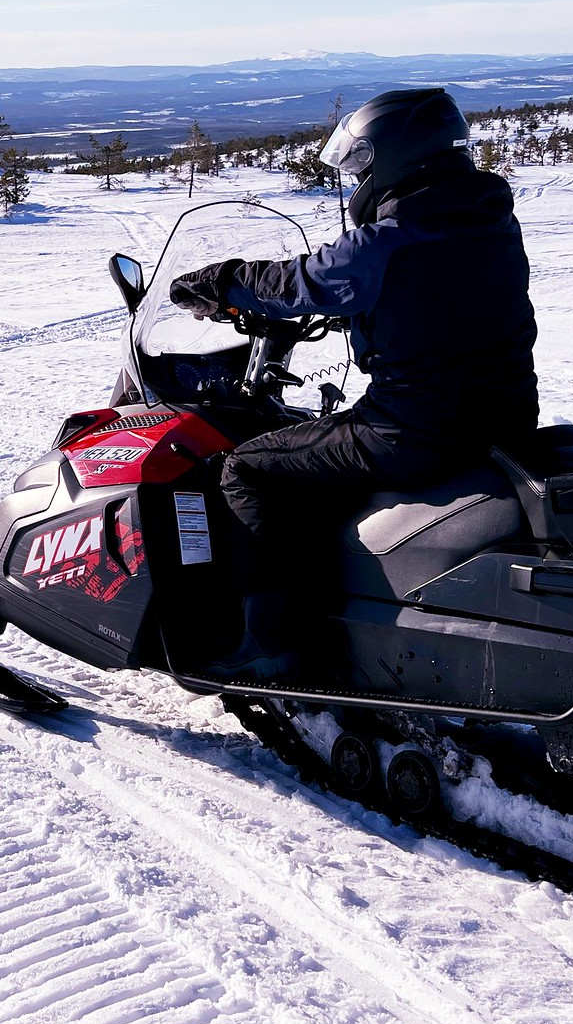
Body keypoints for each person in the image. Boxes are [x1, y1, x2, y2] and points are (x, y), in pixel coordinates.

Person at [169, 87, 538, 678]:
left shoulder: (390, 238)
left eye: (360, 163)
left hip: (411, 431)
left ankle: (272, 639)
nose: (356, 178)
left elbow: (300, 282)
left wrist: (224, 280)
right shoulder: (487, 221)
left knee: (248, 467)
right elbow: (439, 303)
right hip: (503, 420)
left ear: (396, 157)